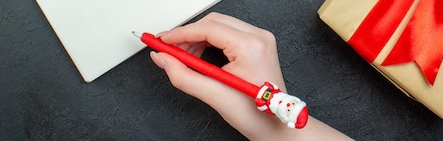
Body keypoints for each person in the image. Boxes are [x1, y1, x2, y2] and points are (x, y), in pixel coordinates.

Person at [149, 12, 353, 141]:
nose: (288, 106)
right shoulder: (278, 102)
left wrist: (278, 134)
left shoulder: (281, 113)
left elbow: (273, 112)